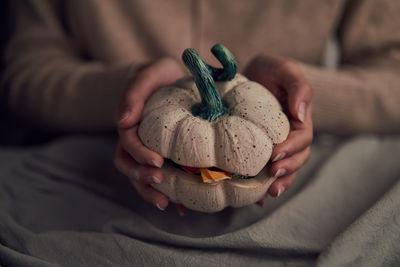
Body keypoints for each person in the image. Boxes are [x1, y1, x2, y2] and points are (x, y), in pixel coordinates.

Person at [2, 0, 399, 213]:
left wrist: (297, 99)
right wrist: (125, 91)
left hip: (297, 185)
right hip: (86, 179)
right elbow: (23, 74)